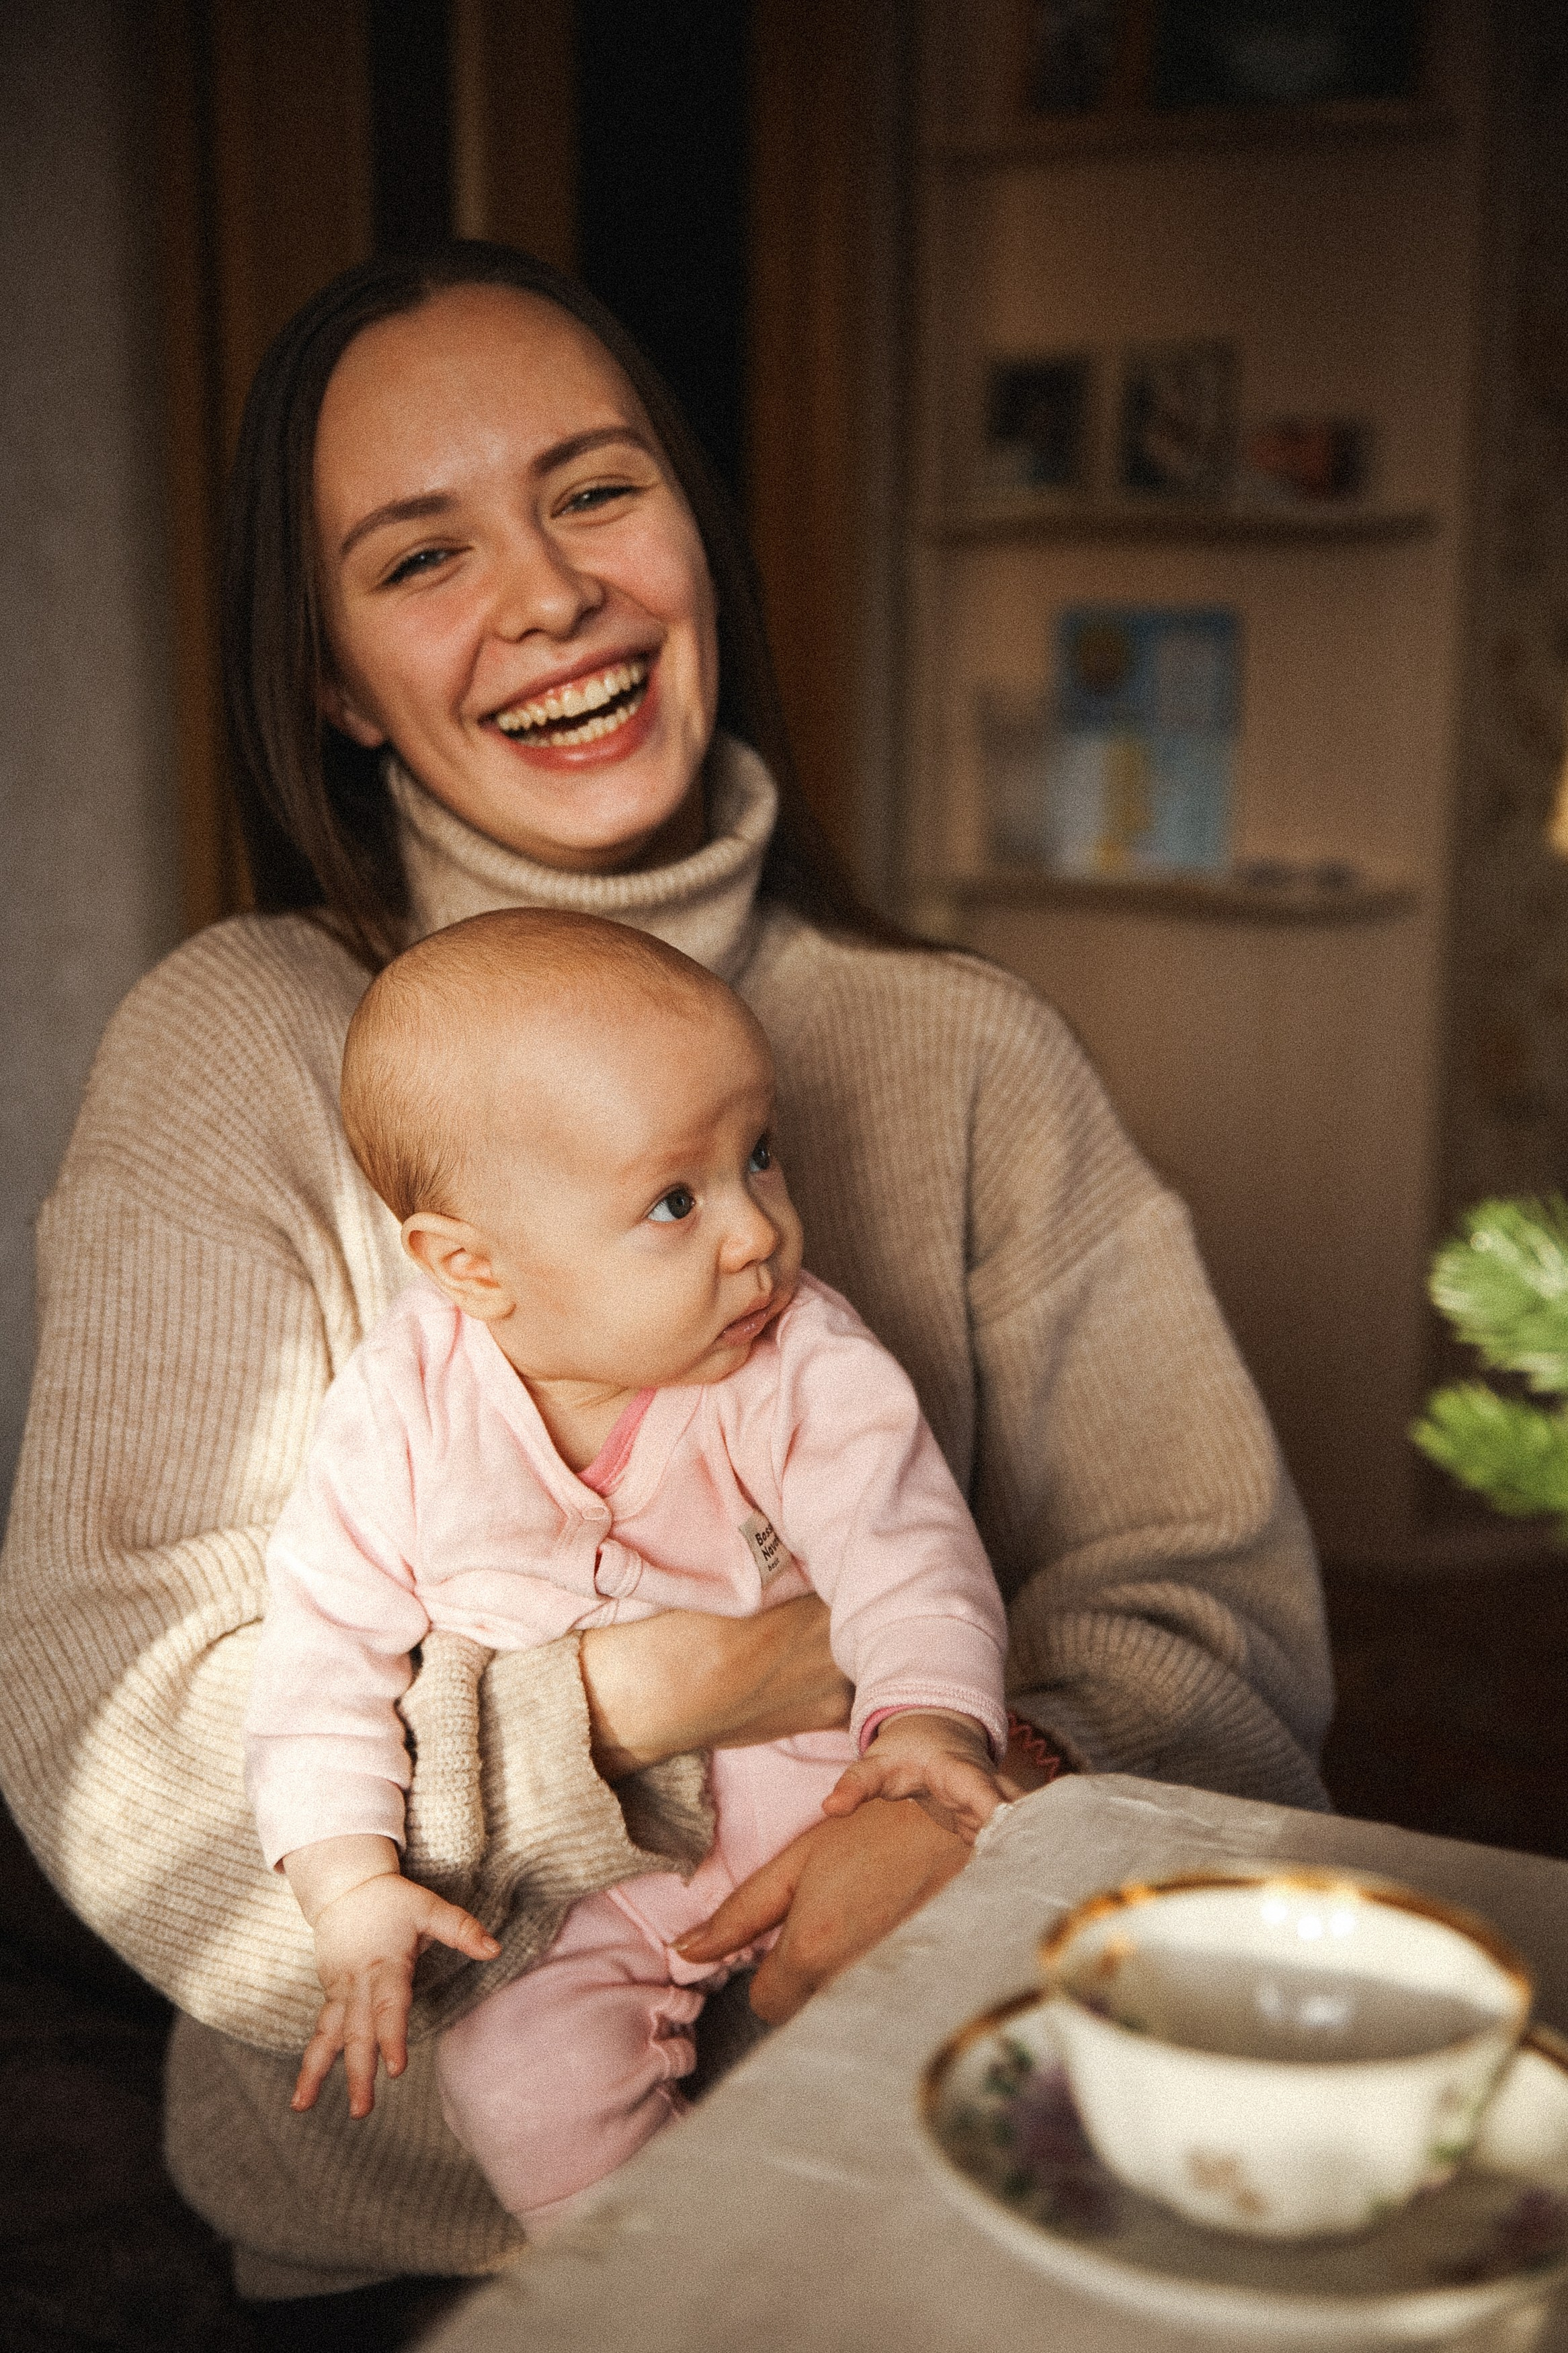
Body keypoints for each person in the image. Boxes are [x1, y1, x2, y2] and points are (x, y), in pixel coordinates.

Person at [0, 240, 1333, 2304]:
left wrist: (980, 1806)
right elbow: (125, 1759)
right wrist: (655, 1698)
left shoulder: (967, 1050)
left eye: (596, 491)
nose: (548, 595)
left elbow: (1223, 1640)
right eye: (420, 555)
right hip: (425, 2251)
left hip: (935, 2158)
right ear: (334, 679)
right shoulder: (234, 1049)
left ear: (696, 536)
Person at [248, 908, 1012, 2228]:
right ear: (469, 1265)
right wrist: (347, 1879)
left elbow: (910, 1552)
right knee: (518, 2073)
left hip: (833, 1805)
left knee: (985, 2022)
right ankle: (654, 2279)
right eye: (676, 1200)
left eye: (758, 1156)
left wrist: (932, 1728)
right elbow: (321, 1655)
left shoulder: (799, 1357)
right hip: (594, 1880)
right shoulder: (398, 1412)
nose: (756, 1232)